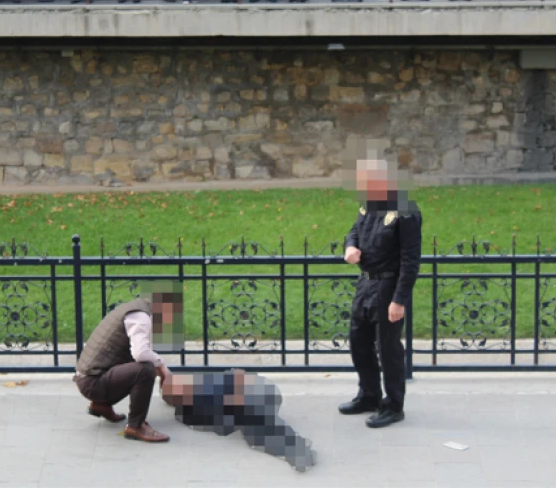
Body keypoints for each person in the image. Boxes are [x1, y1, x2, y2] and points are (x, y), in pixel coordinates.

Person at [338, 152, 422, 429]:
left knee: (388, 349)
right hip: (366, 282)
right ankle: (369, 394)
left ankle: (393, 405)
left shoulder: (406, 210)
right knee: (359, 341)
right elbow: (354, 230)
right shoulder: (369, 205)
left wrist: (399, 300)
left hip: (388, 284)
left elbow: (410, 260)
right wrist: (350, 246)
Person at [160, 369, 316, 472]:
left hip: (259, 392)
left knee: (253, 423)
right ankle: (296, 449)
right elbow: (223, 428)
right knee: (252, 425)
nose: (181, 391)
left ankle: (296, 449)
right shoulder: (187, 414)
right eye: (175, 394)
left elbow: (243, 377)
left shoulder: (212, 379)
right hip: (253, 402)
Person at [73, 286, 174, 443]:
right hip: (92, 382)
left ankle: (101, 405)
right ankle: (136, 426)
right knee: (145, 369)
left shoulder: (135, 310)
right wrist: (162, 366)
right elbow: (141, 354)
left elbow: (139, 352)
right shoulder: (141, 318)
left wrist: (162, 369)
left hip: (90, 377)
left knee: (142, 366)